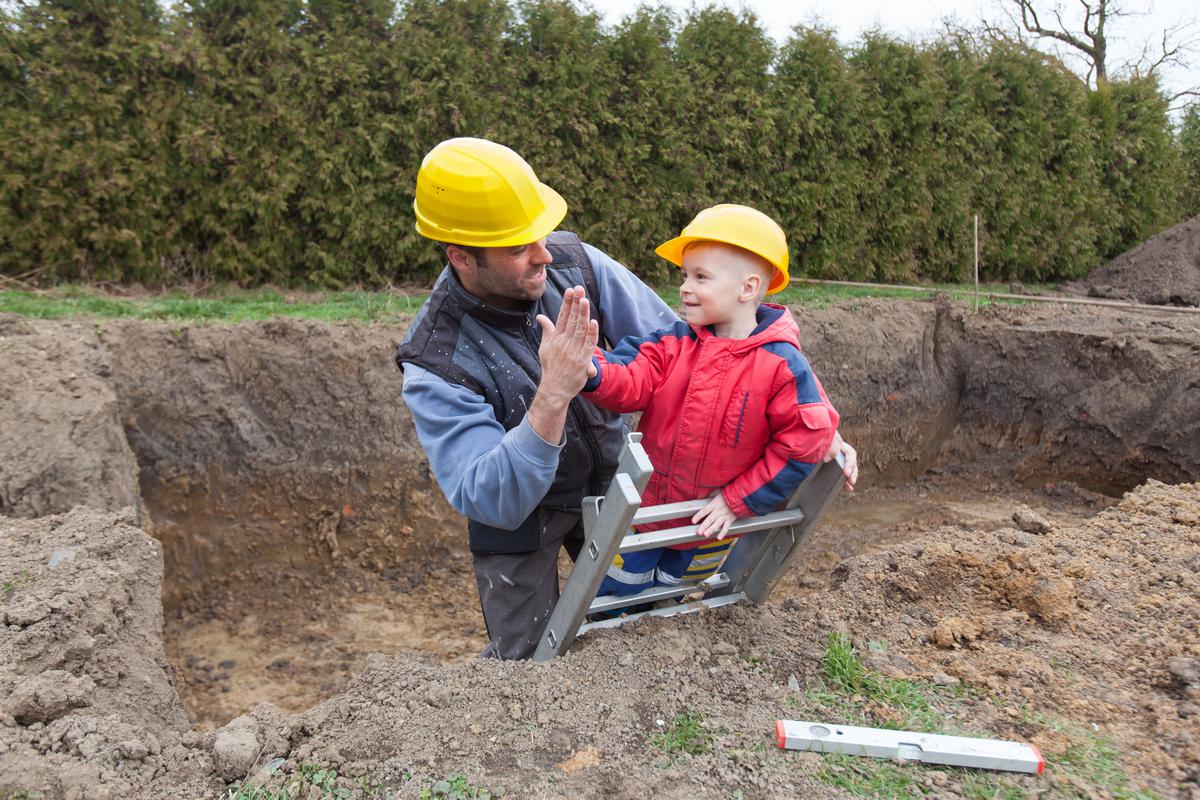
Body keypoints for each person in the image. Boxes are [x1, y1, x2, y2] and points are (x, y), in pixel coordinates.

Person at [396, 137, 857, 660]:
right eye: (518, 247)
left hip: (617, 480)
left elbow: (701, 347)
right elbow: (492, 498)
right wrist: (552, 395)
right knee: (527, 663)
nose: (544, 254)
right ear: (460, 256)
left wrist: (815, 416)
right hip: (524, 515)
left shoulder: (574, 263)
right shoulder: (436, 361)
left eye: (540, 235)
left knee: (630, 629)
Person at [574, 204, 841, 596]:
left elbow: (803, 440)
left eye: (700, 276)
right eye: (685, 275)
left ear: (748, 288)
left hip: (710, 524)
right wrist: (592, 368)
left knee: (675, 601)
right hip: (646, 515)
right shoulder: (672, 342)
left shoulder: (782, 365)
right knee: (615, 597)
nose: (684, 287)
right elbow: (630, 377)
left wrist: (737, 500)